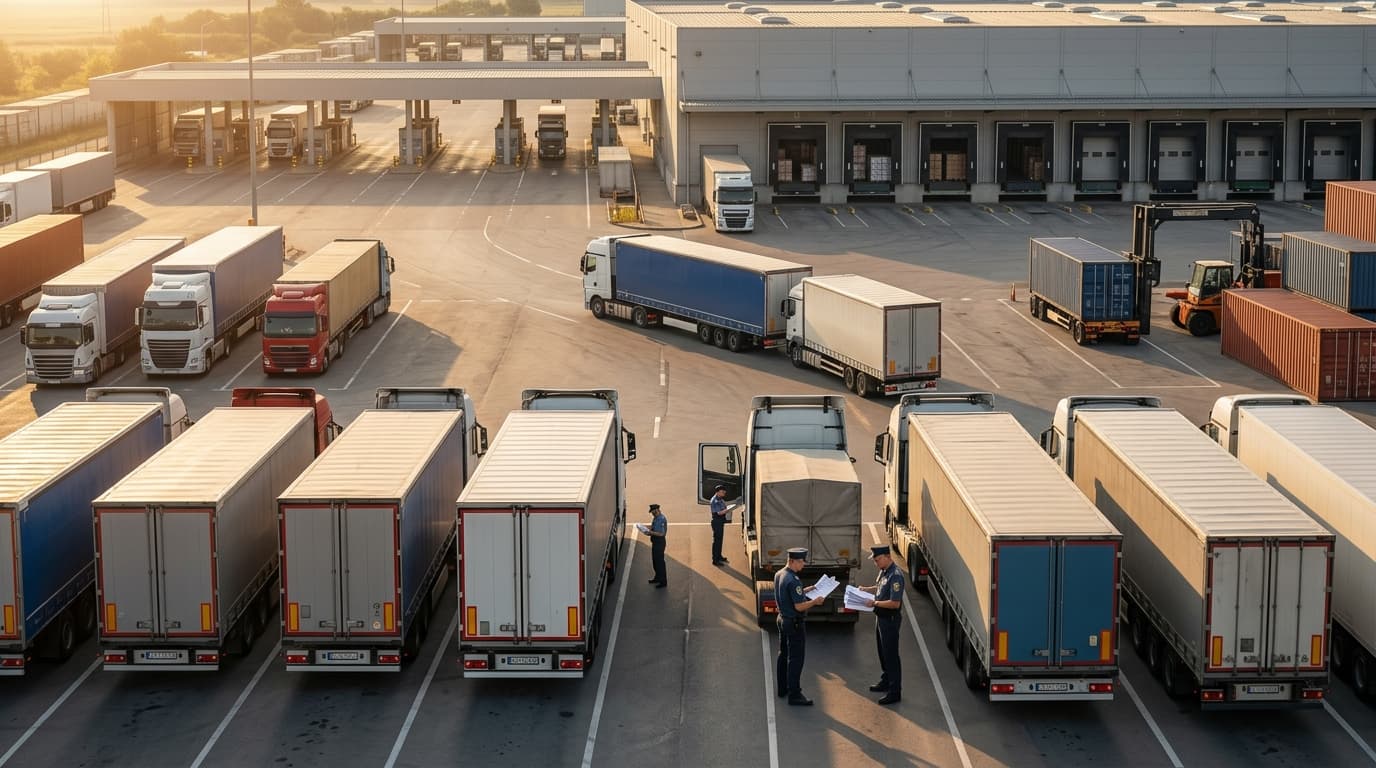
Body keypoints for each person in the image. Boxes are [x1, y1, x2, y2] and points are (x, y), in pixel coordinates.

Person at [774, 548, 825, 706]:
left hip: (782, 619)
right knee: (796, 659)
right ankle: (795, 694)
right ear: (792, 561)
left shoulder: (780, 574)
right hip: (794, 622)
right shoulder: (794, 579)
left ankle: (782, 688)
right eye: (801, 561)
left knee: (783, 654)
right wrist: (814, 601)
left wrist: (805, 590)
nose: (803, 564)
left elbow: (787, 596)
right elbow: (799, 606)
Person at [861, 544, 905, 705]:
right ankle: (886, 680)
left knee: (891, 655)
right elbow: (880, 588)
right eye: (874, 560)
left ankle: (895, 691)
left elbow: (894, 603)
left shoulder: (896, 576)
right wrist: (867, 589)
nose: (876, 563)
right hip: (881, 618)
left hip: (890, 620)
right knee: (882, 652)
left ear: (888, 557)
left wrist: (875, 603)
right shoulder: (884, 571)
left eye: (878, 560)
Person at [709, 485, 734, 566]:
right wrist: (728, 510)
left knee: (720, 541)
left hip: (720, 521)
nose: (724, 493)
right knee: (717, 542)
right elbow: (719, 512)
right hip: (717, 522)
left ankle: (719, 556)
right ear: (718, 492)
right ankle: (715, 560)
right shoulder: (715, 500)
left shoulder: (720, 499)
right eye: (722, 491)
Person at [646, 504, 668, 588]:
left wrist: (650, 532)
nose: (652, 513)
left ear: (656, 510)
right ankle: (657, 577)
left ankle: (663, 581)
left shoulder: (661, 519)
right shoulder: (656, 518)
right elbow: (653, 527)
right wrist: (645, 528)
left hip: (659, 543)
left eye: (652, 512)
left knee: (660, 563)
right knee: (655, 561)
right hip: (655, 542)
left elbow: (662, 533)